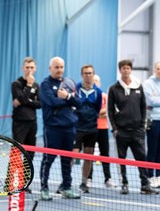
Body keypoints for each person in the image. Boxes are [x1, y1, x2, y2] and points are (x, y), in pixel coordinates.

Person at [106, 59, 158, 195]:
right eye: (123, 68)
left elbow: (143, 107)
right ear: (120, 70)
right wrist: (115, 128)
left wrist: (142, 126)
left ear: (131, 70)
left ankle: (145, 185)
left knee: (142, 158)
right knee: (121, 159)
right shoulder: (113, 89)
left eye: (128, 68)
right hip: (121, 131)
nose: (126, 70)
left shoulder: (138, 87)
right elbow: (110, 110)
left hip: (137, 131)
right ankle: (124, 183)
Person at [38, 56, 81, 201]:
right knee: (48, 159)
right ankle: (44, 188)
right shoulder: (45, 85)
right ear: (50, 68)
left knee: (67, 159)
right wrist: (68, 100)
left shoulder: (69, 83)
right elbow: (52, 102)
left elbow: (79, 102)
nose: (59, 70)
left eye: (61, 67)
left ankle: (66, 187)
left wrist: (67, 96)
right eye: (56, 67)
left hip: (69, 128)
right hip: (52, 128)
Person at [11, 56, 40, 191]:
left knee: (30, 154)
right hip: (19, 123)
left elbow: (39, 104)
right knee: (17, 152)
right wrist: (28, 86)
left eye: (31, 67)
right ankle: (12, 182)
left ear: (35, 69)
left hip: (32, 122)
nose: (29, 70)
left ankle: (24, 182)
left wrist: (24, 102)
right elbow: (21, 97)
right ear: (23, 68)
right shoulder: (16, 84)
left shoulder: (37, 85)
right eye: (27, 67)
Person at [72, 65, 102, 193]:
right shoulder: (76, 89)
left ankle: (84, 182)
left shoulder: (98, 92)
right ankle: (66, 181)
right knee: (72, 155)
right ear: (82, 75)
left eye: (90, 73)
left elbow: (98, 108)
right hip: (77, 127)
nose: (88, 75)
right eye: (85, 73)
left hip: (91, 128)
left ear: (93, 74)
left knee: (88, 156)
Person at [86, 74, 115, 188]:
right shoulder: (87, 96)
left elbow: (107, 110)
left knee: (105, 154)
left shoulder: (105, 96)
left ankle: (108, 178)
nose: (95, 83)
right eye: (93, 81)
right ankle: (88, 178)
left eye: (97, 81)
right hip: (91, 128)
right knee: (90, 154)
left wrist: (96, 112)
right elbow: (88, 111)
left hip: (103, 128)